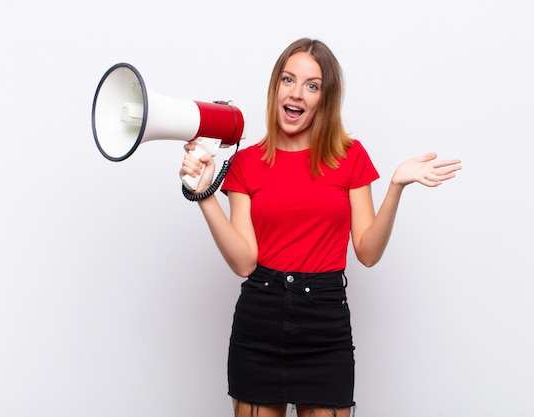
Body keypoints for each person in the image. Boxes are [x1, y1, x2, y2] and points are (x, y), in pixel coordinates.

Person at [179, 38, 461, 417]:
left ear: (325, 99)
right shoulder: (246, 163)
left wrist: (395, 187)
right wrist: (205, 196)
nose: (297, 93)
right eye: (288, 80)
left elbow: (368, 252)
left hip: (325, 322)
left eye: (312, 85)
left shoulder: (350, 157)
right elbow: (245, 262)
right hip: (259, 318)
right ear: (275, 87)